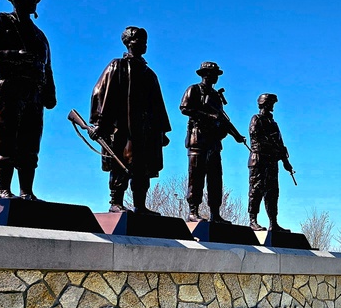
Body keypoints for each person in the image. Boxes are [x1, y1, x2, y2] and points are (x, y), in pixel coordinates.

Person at [0, 0, 56, 200]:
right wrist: (12, 55)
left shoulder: (39, 36)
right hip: (8, 91)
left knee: (30, 145)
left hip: (34, 95)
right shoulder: (0, 22)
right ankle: (4, 189)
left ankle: (27, 191)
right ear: (14, 0)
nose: (32, 3)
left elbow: (47, 67)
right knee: (5, 141)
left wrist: (50, 92)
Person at [89, 26, 171, 214]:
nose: (143, 45)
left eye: (145, 42)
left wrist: (161, 131)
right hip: (123, 128)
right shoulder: (117, 66)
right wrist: (99, 123)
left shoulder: (149, 74)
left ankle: (140, 205)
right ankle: (115, 202)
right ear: (128, 43)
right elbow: (100, 92)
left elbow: (158, 104)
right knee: (121, 163)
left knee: (143, 167)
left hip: (145, 129)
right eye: (138, 41)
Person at [179, 61, 247, 223]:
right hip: (198, 139)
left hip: (214, 142)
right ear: (205, 75)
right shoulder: (194, 89)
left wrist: (236, 135)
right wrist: (208, 116)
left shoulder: (216, 96)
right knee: (196, 176)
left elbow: (223, 119)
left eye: (216, 75)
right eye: (213, 74)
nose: (215, 77)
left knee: (215, 179)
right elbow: (185, 108)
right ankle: (193, 211)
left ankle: (215, 213)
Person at [247, 93, 293, 232]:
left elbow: (280, 144)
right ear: (265, 104)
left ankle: (274, 223)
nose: (272, 106)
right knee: (256, 190)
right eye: (271, 103)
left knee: (273, 193)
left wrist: (285, 161)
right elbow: (256, 138)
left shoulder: (273, 124)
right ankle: (253, 220)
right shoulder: (256, 119)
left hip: (272, 162)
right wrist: (273, 147)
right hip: (259, 160)